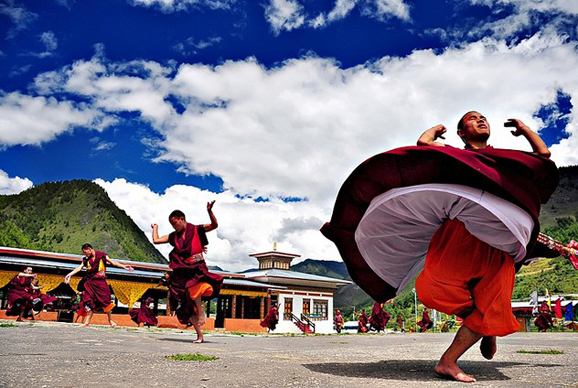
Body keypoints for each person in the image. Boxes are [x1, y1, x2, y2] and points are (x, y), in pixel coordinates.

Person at [321, 111, 558, 383]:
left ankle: (449, 360)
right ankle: (481, 328)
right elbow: (423, 145)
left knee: (492, 305)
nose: (481, 120)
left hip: (500, 247)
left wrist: (524, 128)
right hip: (462, 233)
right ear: (461, 133)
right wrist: (435, 130)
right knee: (435, 286)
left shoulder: (504, 161)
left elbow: (542, 158)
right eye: (472, 118)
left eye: (483, 117)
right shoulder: (457, 158)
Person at [151, 201, 223, 343]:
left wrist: (209, 211)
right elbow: (156, 240)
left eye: (175, 223)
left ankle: (201, 312)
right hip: (183, 270)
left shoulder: (196, 229)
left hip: (197, 268)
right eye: (172, 225)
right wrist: (155, 227)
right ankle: (199, 335)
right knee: (186, 304)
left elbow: (214, 226)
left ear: (182, 219)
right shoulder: (173, 236)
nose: (174, 227)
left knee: (194, 287)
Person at [64, 244, 134, 328]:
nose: (85, 255)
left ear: (89, 249)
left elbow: (112, 262)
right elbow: (79, 268)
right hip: (89, 283)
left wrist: (124, 266)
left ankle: (110, 320)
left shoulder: (101, 255)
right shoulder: (86, 260)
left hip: (100, 283)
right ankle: (87, 322)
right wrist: (69, 274)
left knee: (105, 301)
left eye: (85, 252)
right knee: (89, 301)